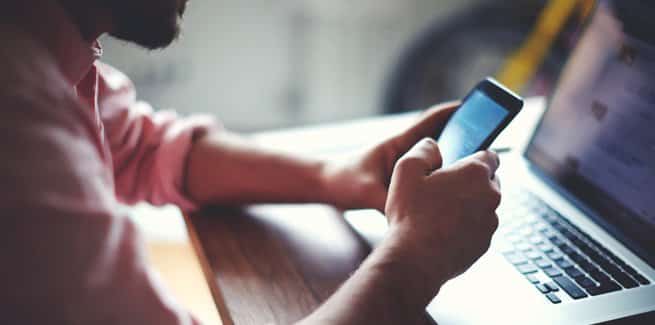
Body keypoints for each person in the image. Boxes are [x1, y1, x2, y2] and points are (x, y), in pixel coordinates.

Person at [0, 0, 501, 324]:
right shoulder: (17, 110)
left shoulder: (38, 43)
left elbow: (137, 147)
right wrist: (413, 261)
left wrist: (338, 176)